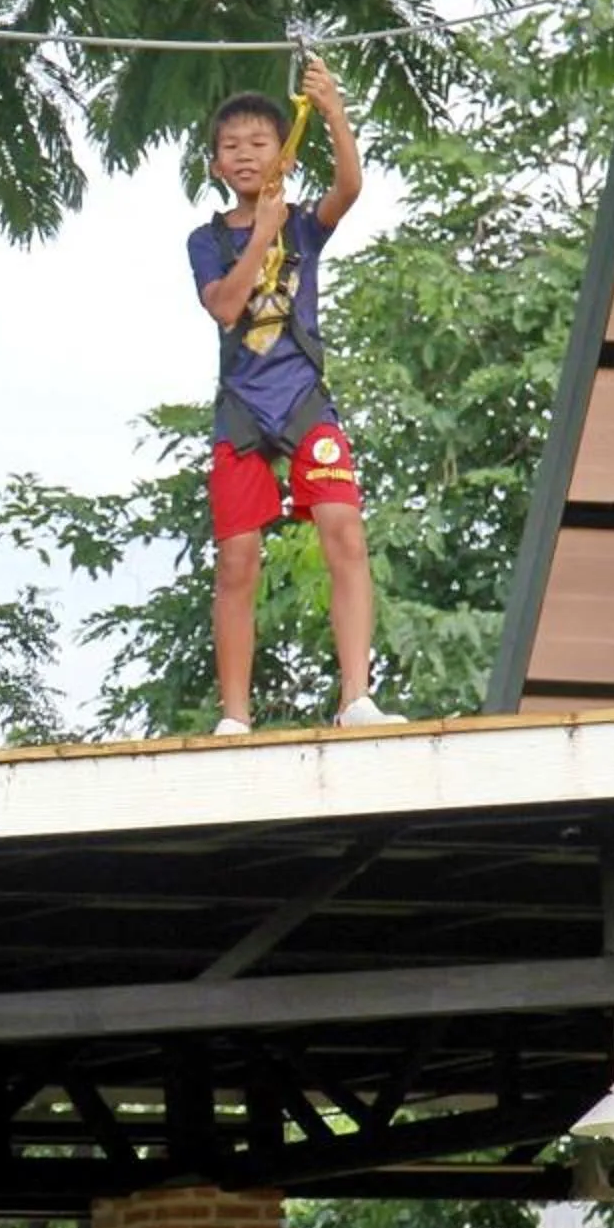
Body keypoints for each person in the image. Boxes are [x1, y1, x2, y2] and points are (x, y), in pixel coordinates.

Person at [185, 56, 398, 735]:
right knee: (238, 558)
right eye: (231, 147)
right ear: (216, 164)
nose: (245, 156)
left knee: (344, 531)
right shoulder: (208, 238)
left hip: (304, 398)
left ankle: (356, 697)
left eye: (259, 144)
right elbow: (224, 307)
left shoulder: (305, 222)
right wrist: (263, 237)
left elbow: (351, 185)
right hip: (243, 409)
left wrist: (332, 109)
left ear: (283, 154)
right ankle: (236, 715)